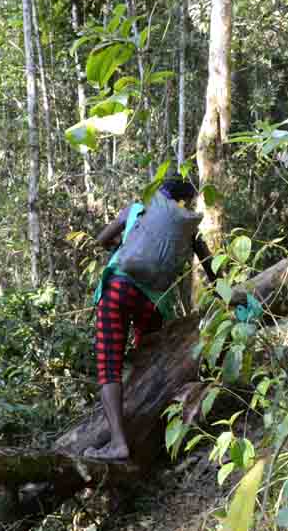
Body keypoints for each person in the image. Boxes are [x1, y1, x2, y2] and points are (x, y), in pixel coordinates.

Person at [85, 177, 217, 462]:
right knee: (150, 364)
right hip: (155, 304)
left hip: (119, 289)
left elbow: (102, 239)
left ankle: (119, 443)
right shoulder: (188, 230)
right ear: (186, 202)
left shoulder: (135, 211)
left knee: (109, 368)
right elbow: (212, 269)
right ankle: (158, 439)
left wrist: (124, 244)